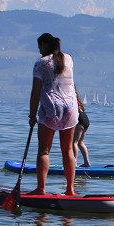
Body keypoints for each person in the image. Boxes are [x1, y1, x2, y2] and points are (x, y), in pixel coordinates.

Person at [28, 33, 79, 196]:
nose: (39, 50)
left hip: (52, 107)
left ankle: (41, 189)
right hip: (71, 107)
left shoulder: (40, 63)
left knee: (44, 150)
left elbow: (36, 91)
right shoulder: (68, 58)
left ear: (44, 45)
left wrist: (32, 115)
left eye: (39, 47)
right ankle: (70, 189)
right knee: (68, 149)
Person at [73, 94, 91, 167]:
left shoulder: (70, 97)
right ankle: (86, 162)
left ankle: (74, 163)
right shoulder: (78, 100)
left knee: (74, 142)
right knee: (80, 142)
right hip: (85, 119)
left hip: (79, 119)